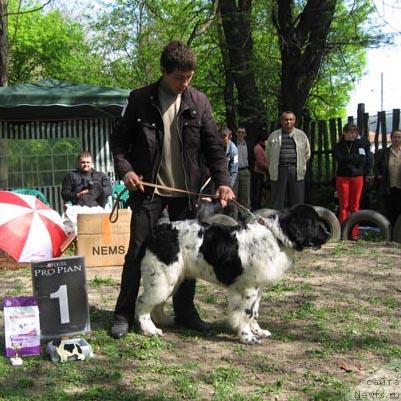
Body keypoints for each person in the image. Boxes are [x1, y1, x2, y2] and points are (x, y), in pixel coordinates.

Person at [109, 41, 235, 339]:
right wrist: (126, 171)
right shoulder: (140, 99)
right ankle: (123, 313)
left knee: (189, 256)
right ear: (164, 72)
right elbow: (118, 143)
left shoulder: (199, 102)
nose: (185, 83)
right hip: (149, 192)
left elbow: (214, 148)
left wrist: (224, 182)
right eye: (179, 77)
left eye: (189, 77)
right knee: (137, 252)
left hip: (187, 194)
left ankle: (185, 311)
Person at [265, 111, 311, 210]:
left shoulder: (301, 135)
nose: (288, 122)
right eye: (286, 119)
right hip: (279, 170)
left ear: (294, 121)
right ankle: (277, 224)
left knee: (297, 201)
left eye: (291, 119)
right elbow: (267, 154)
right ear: (281, 121)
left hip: (296, 171)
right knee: (277, 201)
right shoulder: (273, 136)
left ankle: (297, 224)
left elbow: (307, 153)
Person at [332, 123, 366, 240]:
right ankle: (343, 232)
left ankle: (354, 233)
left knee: (355, 206)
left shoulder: (359, 145)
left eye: (355, 132)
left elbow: (362, 159)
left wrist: (349, 159)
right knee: (344, 206)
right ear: (344, 133)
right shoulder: (338, 146)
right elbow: (340, 159)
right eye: (351, 132)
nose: (353, 135)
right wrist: (353, 158)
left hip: (357, 178)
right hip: (343, 178)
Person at [375, 129, 401, 226]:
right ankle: (391, 233)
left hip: (400, 185)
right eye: (395, 137)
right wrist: (379, 174)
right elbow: (376, 165)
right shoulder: (384, 152)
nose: (397, 139)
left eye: (399, 137)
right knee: (390, 210)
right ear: (391, 138)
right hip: (388, 186)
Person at [233, 127, 253, 209]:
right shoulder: (232, 144)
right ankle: (233, 216)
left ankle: (245, 216)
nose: (240, 134)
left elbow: (252, 158)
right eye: (239, 132)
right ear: (236, 133)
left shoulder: (249, 144)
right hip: (234, 172)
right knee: (234, 195)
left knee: (245, 196)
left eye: (242, 132)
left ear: (245, 134)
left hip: (245, 171)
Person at [251, 133, 269, 210]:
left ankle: (260, 205)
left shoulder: (264, 148)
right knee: (257, 192)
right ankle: (256, 207)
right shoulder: (258, 148)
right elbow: (260, 162)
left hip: (262, 173)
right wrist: (269, 168)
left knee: (261, 192)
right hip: (257, 173)